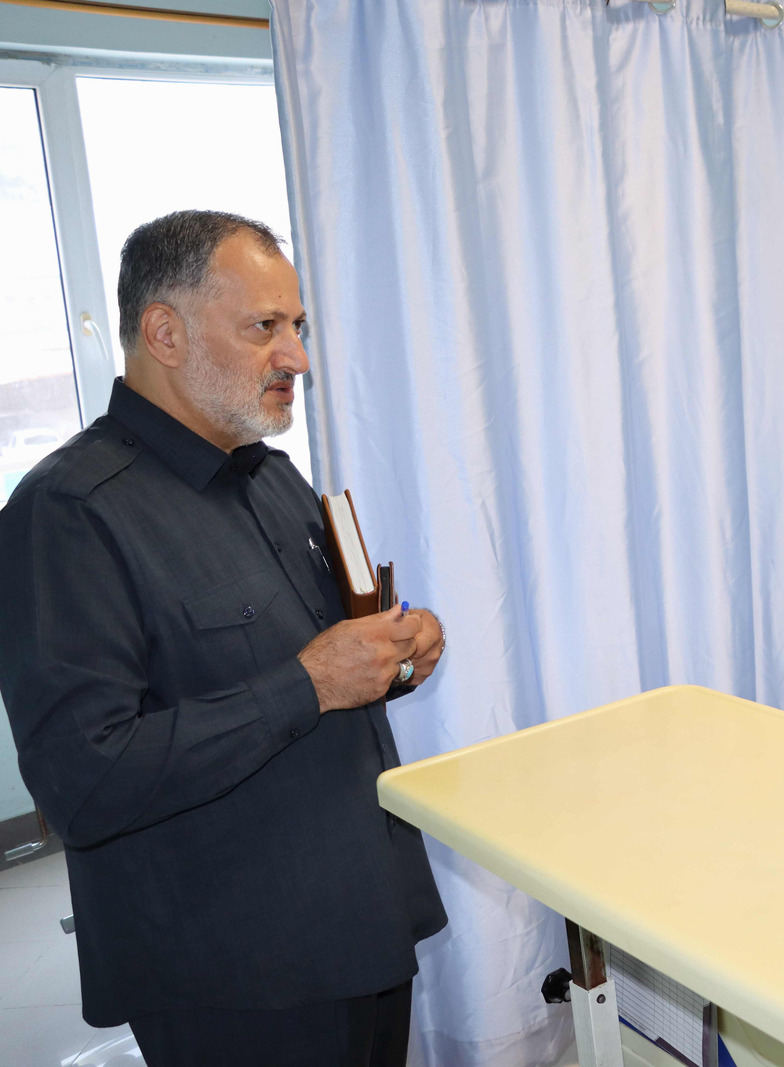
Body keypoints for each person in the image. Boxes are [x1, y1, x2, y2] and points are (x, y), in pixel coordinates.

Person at [0, 210, 448, 1067]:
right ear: (164, 333)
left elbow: (312, 664)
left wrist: (394, 655)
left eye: (299, 326)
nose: (297, 357)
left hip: (360, 916)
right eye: (265, 326)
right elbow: (82, 782)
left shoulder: (269, 477)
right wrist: (308, 682)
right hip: (236, 975)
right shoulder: (68, 513)